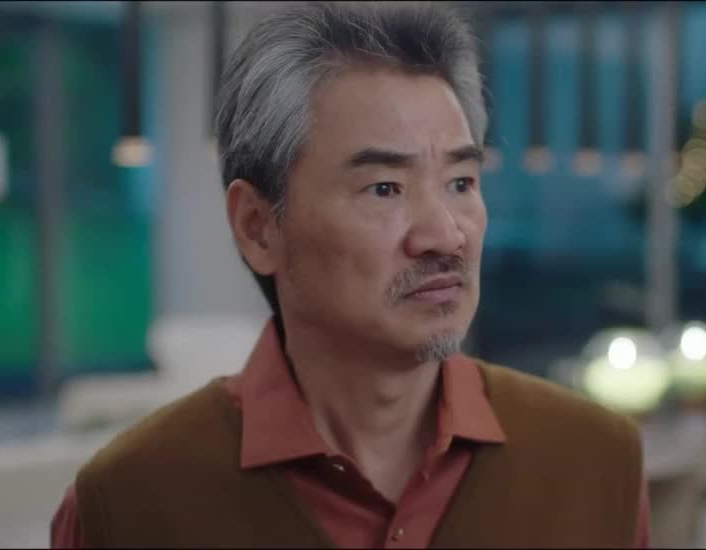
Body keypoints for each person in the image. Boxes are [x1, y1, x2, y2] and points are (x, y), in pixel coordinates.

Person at [51, 2, 650, 547]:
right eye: (384, 188)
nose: (445, 236)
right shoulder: (126, 505)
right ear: (258, 227)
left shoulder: (596, 463)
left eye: (461, 182)